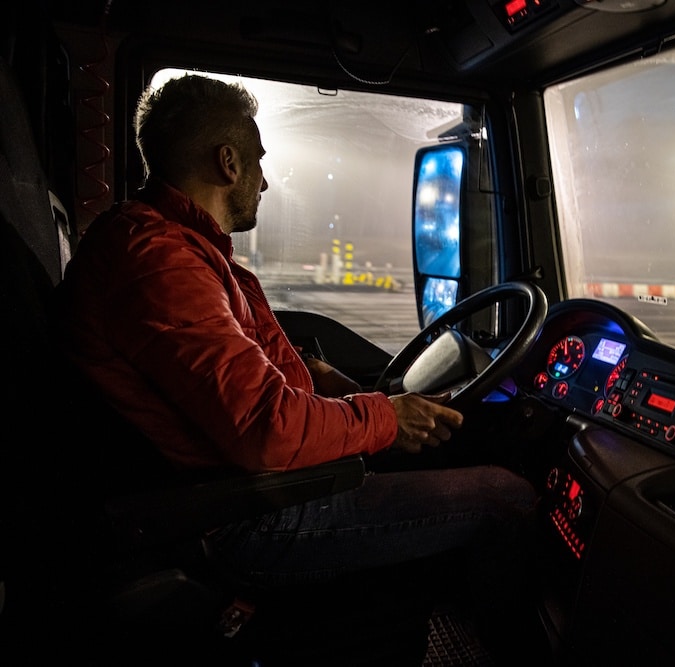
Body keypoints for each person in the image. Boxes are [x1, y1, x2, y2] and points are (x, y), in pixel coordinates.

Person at [51, 74, 541, 661]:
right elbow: (267, 429)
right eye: (257, 160)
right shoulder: (159, 264)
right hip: (239, 516)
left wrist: (315, 372)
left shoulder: (176, 246)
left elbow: (225, 360)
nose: (265, 179)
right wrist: (385, 417)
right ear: (227, 162)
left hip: (247, 488)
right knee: (504, 497)